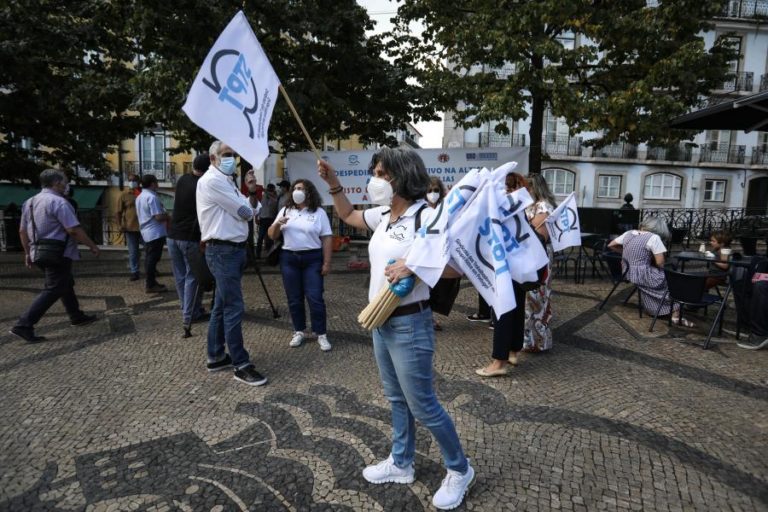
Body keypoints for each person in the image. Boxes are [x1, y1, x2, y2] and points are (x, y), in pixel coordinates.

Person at [318, 148, 475, 511]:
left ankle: (460, 469)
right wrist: (333, 183)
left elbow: (457, 266)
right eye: (374, 172)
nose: (375, 180)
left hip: (410, 322)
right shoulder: (384, 216)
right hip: (379, 321)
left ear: (401, 177)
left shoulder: (429, 216)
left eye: (381, 174)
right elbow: (347, 215)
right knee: (396, 399)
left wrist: (414, 264)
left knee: (423, 404)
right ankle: (401, 462)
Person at [196, 140, 267, 386]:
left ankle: (216, 356)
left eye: (234, 155)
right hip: (222, 251)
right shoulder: (212, 181)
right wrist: (248, 207)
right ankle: (241, 363)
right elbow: (247, 213)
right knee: (233, 307)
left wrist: (249, 192)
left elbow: (251, 209)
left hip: (231, 251)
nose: (232, 159)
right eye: (227, 154)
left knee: (221, 305)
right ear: (213, 158)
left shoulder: (226, 181)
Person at [10, 169, 99, 342]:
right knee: (54, 287)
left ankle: (76, 315)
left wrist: (27, 253)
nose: (66, 185)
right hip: (58, 252)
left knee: (64, 282)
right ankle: (24, 325)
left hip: (38, 251)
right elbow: (73, 229)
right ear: (57, 183)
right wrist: (92, 246)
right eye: (64, 182)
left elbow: (22, 231)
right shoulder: (59, 202)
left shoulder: (30, 202)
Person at [268, 179, 333, 351]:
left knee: (315, 297)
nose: (298, 191)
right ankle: (299, 330)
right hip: (289, 258)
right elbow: (272, 235)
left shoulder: (319, 213)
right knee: (294, 298)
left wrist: (326, 262)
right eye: (295, 188)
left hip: (312, 258)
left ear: (309, 192)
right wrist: (277, 224)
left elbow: (326, 238)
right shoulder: (285, 210)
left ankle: (321, 333)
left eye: (302, 189)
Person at [475, 172, 530, 376]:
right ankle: (513, 351)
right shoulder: (519, 207)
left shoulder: (501, 207)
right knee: (516, 307)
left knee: (503, 311)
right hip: (519, 266)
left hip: (504, 267)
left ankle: (498, 362)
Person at [608, 216, 693, 326]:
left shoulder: (629, 233)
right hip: (642, 274)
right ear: (658, 229)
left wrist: (628, 255)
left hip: (627, 272)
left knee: (661, 280)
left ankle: (656, 309)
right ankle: (675, 313)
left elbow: (611, 245)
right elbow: (660, 263)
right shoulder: (654, 237)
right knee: (674, 280)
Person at [167, 154, 209, 327]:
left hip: (172, 235)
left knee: (180, 275)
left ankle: (188, 308)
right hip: (189, 237)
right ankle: (190, 314)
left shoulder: (183, 179)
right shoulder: (202, 186)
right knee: (193, 276)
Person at [523, 173, 556, 353]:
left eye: (528, 187)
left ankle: (538, 342)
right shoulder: (531, 205)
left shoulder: (543, 205)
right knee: (530, 298)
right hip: (529, 254)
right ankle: (529, 340)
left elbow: (540, 233)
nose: (525, 190)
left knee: (537, 297)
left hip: (538, 254)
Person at [136, 174, 169, 293]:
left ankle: (151, 282)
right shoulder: (152, 197)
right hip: (154, 232)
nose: (158, 184)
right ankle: (150, 284)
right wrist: (169, 216)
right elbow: (158, 217)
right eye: (156, 182)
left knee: (150, 258)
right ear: (152, 183)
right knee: (152, 259)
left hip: (147, 232)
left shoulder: (140, 197)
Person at [426, 176, 447, 331]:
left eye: (436, 190)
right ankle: (427, 319)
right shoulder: (420, 209)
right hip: (424, 254)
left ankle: (430, 316)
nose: (433, 193)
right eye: (429, 190)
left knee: (436, 289)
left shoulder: (444, 208)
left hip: (439, 254)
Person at [117, 173, 142, 281]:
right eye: (130, 180)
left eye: (134, 180)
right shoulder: (124, 195)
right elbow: (118, 212)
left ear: (138, 181)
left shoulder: (142, 193)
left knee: (151, 249)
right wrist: (119, 225)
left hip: (145, 227)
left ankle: (152, 268)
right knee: (133, 251)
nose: (132, 182)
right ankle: (134, 271)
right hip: (130, 227)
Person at [256, 183, 278, 258]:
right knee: (260, 238)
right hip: (263, 219)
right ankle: (258, 254)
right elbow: (259, 207)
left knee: (270, 238)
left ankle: (270, 255)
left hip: (271, 219)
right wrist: (257, 217)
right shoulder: (264, 196)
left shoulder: (275, 197)